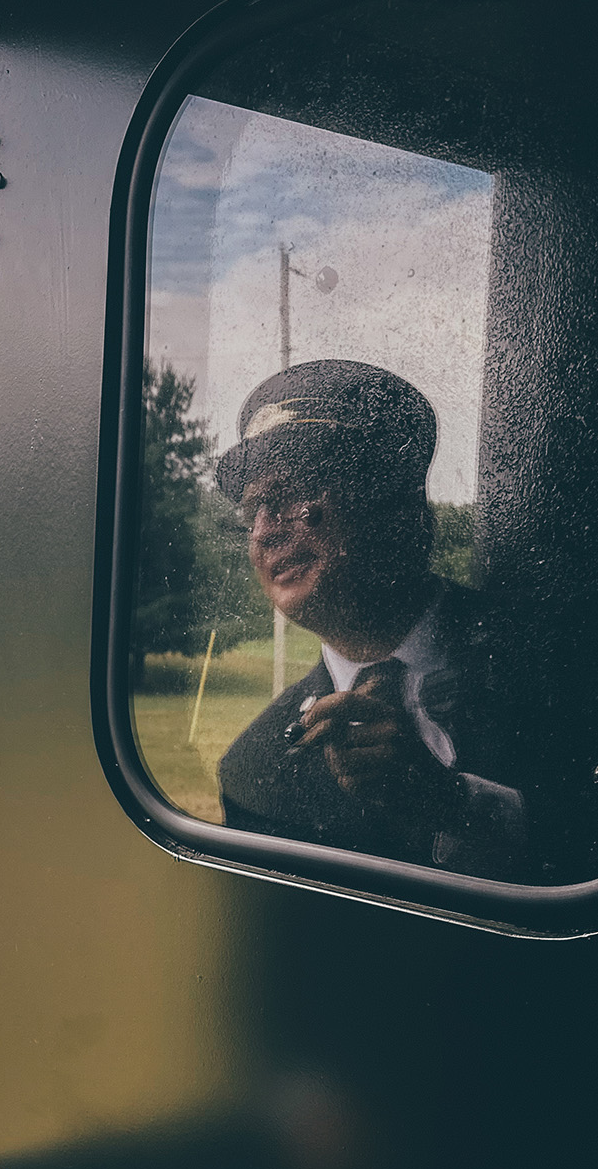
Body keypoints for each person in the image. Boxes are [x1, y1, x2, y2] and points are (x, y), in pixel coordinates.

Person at [214, 361, 533, 880]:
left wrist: (454, 803)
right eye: (254, 512)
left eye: (292, 495)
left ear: (390, 503)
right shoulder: (253, 771)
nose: (265, 531)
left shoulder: (555, 655)